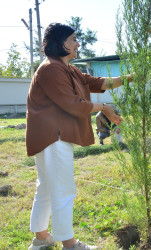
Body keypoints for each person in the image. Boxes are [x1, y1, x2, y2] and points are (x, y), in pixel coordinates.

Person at [26, 23, 132, 250]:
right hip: (53, 137)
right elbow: (72, 104)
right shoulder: (51, 69)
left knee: (45, 187)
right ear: (61, 42)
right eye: (73, 39)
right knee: (63, 189)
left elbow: (99, 83)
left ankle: (42, 238)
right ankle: (70, 244)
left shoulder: (68, 69)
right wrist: (104, 107)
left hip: (51, 137)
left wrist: (131, 78)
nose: (78, 44)